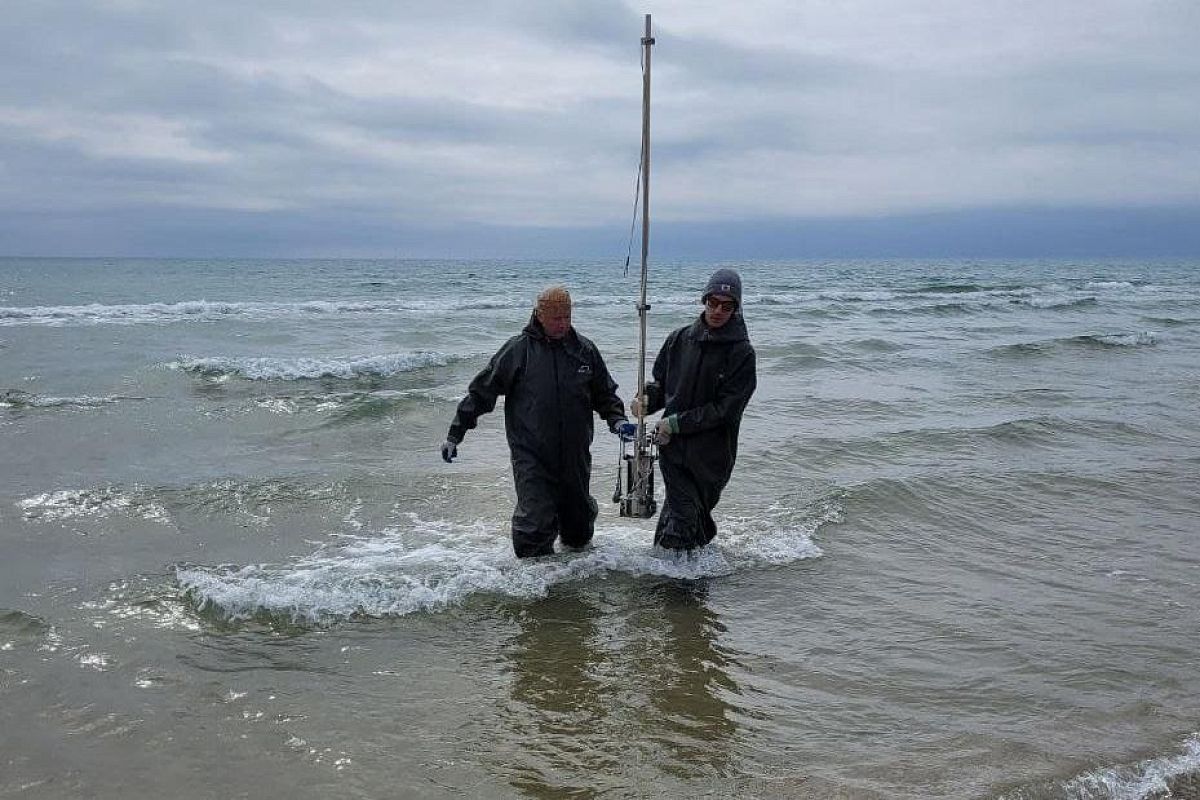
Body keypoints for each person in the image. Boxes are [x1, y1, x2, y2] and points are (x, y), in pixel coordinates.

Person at [440, 286, 633, 558]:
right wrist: (455, 434)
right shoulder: (518, 350)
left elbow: (604, 394)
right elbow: (482, 392)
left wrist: (618, 420)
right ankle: (531, 588)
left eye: (567, 317)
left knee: (578, 526)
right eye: (556, 318)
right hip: (532, 454)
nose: (563, 324)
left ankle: (572, 589)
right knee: (534, 523)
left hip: (575, 454)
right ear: (539, 315)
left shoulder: (584, 350)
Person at [631, 268, 756, 552]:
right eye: (713, 302)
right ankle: (678, 585)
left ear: (736, 309)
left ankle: (686, 585)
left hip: (711, 457)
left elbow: (725, 410)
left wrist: (677, 423)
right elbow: (662, 386)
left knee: (691, 520)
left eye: (727, 306)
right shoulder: (679, 339)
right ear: (704, 301)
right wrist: (645, 399)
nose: (718, 311)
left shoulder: (742, 354)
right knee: (681, 522)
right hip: (673, 450)